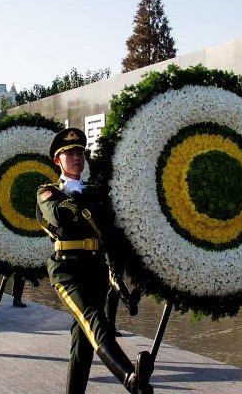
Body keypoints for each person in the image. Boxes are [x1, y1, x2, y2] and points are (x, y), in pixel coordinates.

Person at [35, 128, 152, 394]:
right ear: (57, 160)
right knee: (94, 318)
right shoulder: (48, 192)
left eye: (80, 153)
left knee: (83, 338)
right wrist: (81, 202)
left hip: (96, 269)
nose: (77, 158)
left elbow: (109, 235)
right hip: (67, 269)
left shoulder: (98, 192)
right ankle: (130, 377)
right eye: (70, 154)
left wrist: (115, 272)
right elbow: (57, 215)